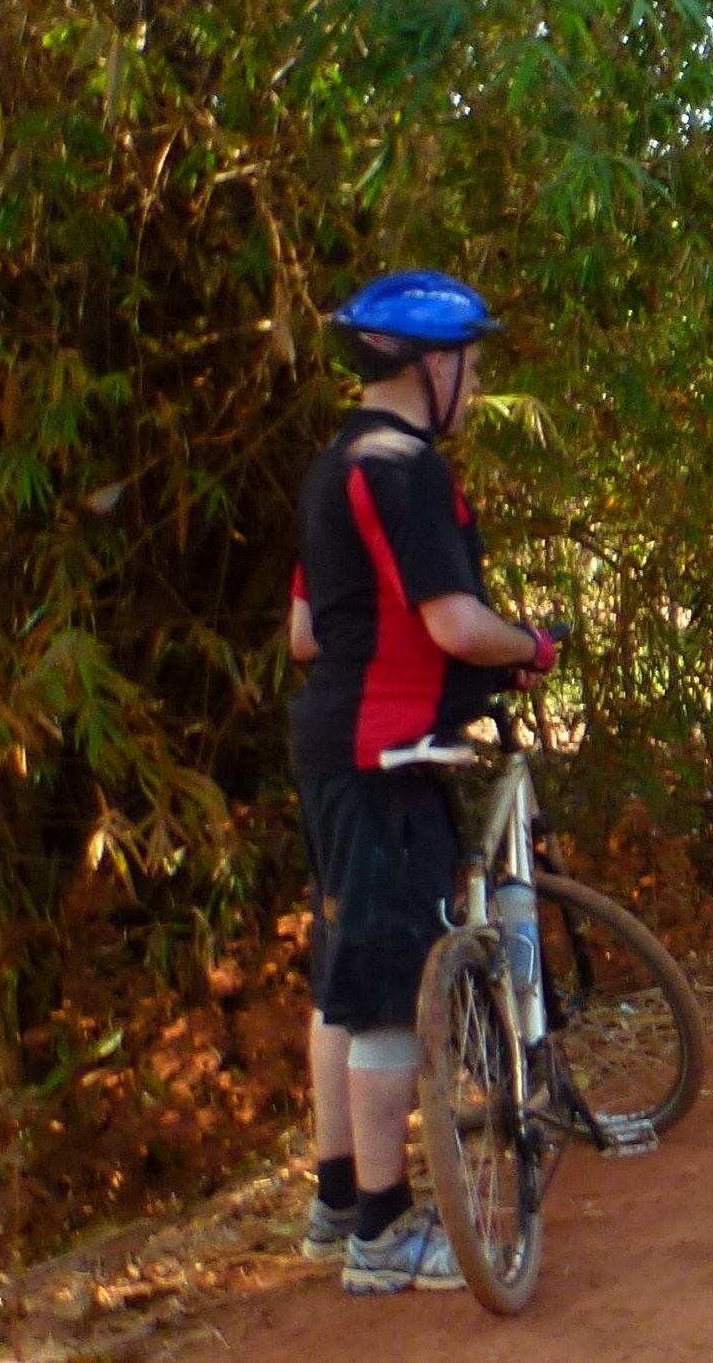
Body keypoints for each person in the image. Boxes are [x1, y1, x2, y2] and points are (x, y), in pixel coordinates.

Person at [286, 270, 555, 1294]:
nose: (476, 384)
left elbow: (307, 633)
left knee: (347, 980)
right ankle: (384, 1231)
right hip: (391, 753)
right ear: (428, 364)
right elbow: (454, 622)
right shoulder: (406, 471)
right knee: (396, 988)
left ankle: (335, 1199)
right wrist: (529, 642)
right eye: (472, 365)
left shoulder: (332, 466)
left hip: (331, 745)